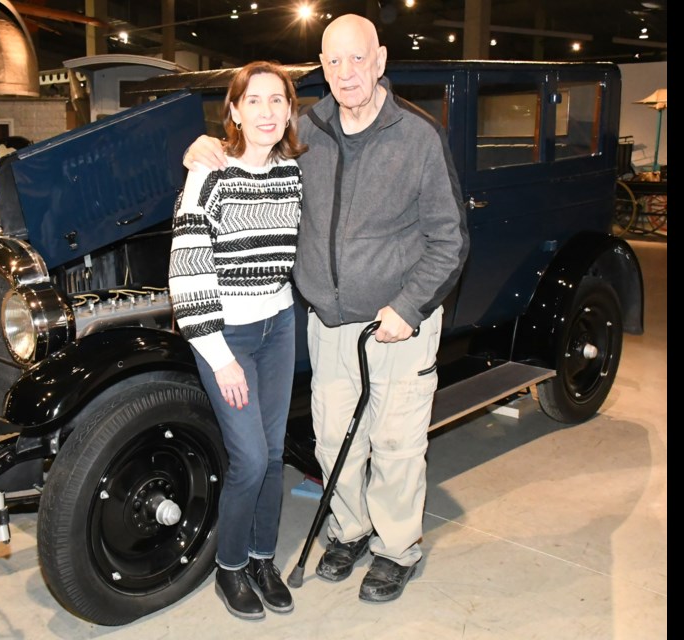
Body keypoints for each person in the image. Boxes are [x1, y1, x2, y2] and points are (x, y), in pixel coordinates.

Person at [183, 15, 469, 604]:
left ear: (380, 60)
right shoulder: (305, 132)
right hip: (327, 323)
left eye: (357, 59)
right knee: (336, 437)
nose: (346, 74)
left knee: (395, 443)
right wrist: (202, 147)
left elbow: (450, 239)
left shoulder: (419, 136)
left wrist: (409, 307)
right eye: (333, 62)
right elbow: (247, 161)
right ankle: (349, 530)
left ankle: (395, 549)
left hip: (397, 325)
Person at [168, 60, 306, 620]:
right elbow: (187, 273)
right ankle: (229, 568)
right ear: (234, 112)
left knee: (274, 456)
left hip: (280, 328)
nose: (267, 112)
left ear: (290, 111)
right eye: (254, 101)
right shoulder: (208, 175)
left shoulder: (294, 173)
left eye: (278, 101)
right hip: (228, 335)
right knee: (248, 459)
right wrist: (220, 356)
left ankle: (262, 558)